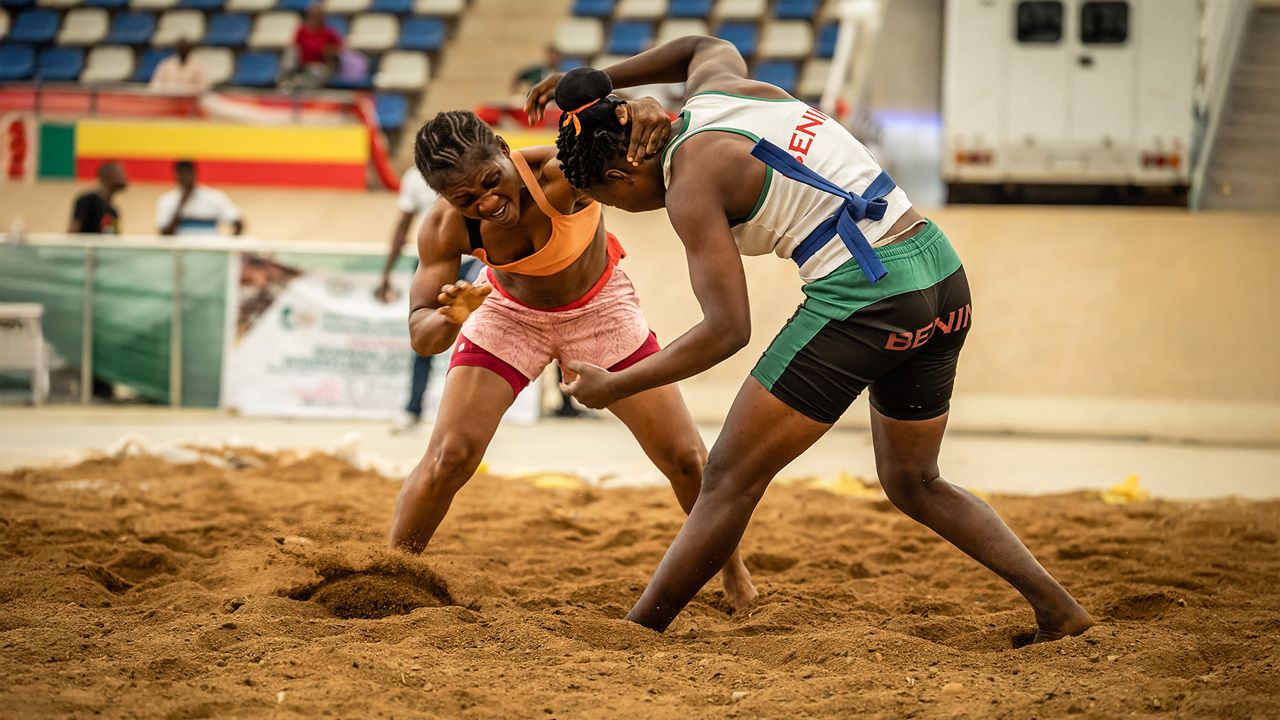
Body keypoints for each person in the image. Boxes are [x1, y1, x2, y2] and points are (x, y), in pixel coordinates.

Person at [527, 37, 1096, 642]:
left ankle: (641, 629)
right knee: (915, 481)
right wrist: (605, 86)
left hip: (869, 297)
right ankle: (1059, 610)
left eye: (607, 197)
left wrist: (617, 383)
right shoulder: (719, 89)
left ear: (623, 172)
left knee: (727, 477)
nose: (618, 207)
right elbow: (704, 44)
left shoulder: (690, 185)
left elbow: (727, 330)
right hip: (941, 273)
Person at [386, 109, 757, 608]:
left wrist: (643, 108)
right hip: (505, 312)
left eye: (492, 181)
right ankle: (389, 573)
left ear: (502, 147)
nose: (488, 203)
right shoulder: (445, 227)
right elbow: (421, 337)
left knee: (687, 459)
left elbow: (645, 143)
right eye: (466, 200)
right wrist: (451, 317)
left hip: (599, 309)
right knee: (449, 456)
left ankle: (733, 572)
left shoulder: (563, 172)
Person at [376, 168, 579, 429]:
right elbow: (403, 224)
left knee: (535, 312)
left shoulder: (480, 167)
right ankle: (414, 407)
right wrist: (387, 270)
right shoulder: (415, 179)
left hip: (480, 255)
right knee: (435, 326)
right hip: (439, 255)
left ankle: (563, 400)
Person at [156, 160, 244, 236]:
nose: (185, 177)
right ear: (175, 175)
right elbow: (165, 234)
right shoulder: (167, 200)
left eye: (188, 172)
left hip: (210, 251)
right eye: (181, 173)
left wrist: (228, 244)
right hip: (180, 253)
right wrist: (182, 203)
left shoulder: (214, 197)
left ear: (195, 173)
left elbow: (238, 223)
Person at [283, 3, 343, 90]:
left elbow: (340, 48)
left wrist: (328, 50)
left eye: (319, 16)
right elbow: (295, 46)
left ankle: (301, 86)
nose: (316, 18)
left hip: (320, 65)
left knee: (317, 72)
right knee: (291, 52)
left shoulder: (329, 32)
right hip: (301, 64)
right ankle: (285, 80)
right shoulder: (302, 30)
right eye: (313, 15)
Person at [69, 161, 126, 235]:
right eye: (118, 173)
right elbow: (72, 233)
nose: (123, 176)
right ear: (105, 175)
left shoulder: (113, 211)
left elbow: (115, 238)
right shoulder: (87, 201)